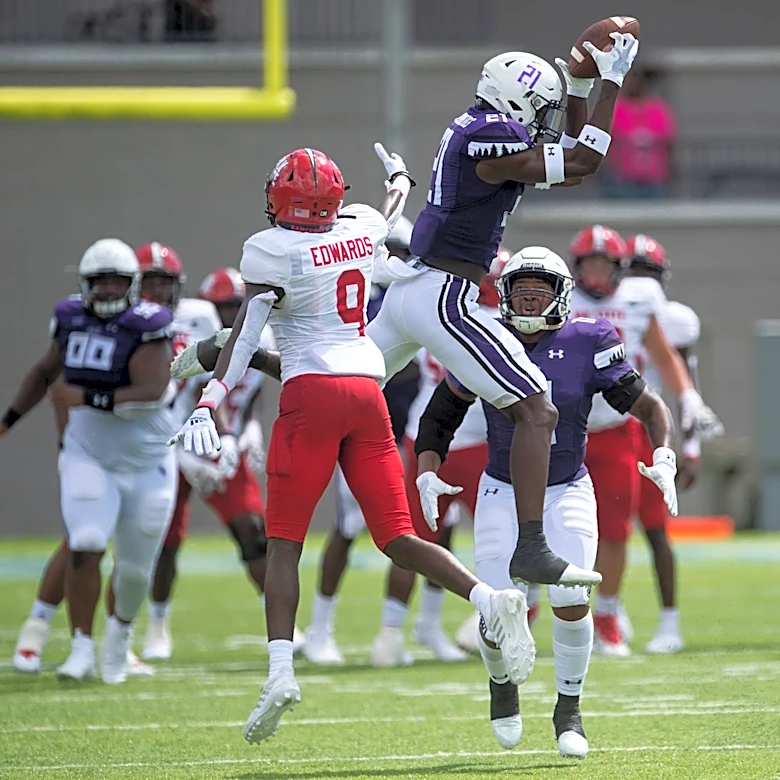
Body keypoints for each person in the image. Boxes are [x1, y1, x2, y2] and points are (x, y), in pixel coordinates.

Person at [170, 40, 645, 589]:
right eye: (539, 108)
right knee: (538, 411)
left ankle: (233, 350)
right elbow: (583, 160)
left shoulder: (480, 130)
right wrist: (610, 83)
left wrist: (583, 88)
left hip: (413, 287)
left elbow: (572, 164)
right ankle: (533, 546)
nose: (542, 121)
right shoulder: (491, 137)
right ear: (516, 102)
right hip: (441, 293)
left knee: (337, 368)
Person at [170, 146, 541, 745]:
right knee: (397, 537)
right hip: (369, 395)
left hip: (310, 396)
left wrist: (212, 398)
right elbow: (391, 211)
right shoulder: (362, 224)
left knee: (285, 543)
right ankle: (487, 597)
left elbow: (243, 336)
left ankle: (281, 672)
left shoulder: (270, 249)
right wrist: (399, 179)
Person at [412, 246, 677, 758]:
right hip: (499, 490)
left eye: (540, 292)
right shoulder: (485, 338)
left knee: (571, 601)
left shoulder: (589, 338)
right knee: (498, 610)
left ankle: (569, 708)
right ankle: (502, 685)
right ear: (505, 296)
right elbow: (440, 415)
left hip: (569, 487)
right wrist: (426, 470)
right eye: (520, 292)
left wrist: (663, 451)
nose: (530, 302)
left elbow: (645, 403)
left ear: (560, 296)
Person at [2, 239, 178, 684]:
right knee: (84, 543)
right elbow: (46, 373)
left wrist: (87, 397)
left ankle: (118, 642)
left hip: (147, 461)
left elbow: (150, 391)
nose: (108, 289)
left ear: (132, 285)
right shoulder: (69, 318)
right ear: (85, 284)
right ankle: (80, 646)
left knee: (136, 569)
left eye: (117, 280)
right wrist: (8, 420)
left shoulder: (148, 324)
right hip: (90, 453)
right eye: (100, 281)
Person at [568, 225, 722, 656]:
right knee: (557, 526)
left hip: (621, 428)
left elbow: (665, 355)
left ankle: (607, 617)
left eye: (604, 265)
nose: (597, 276)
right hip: (567, 429)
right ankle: (538, 612)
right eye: (590, 265)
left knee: (618, 529)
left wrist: (689, 398)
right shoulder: (562, 300)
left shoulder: (639, 300)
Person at [141, 266, 299, 660]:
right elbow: (184, 397)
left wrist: (244, 434)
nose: (230, 316)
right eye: (222, 308)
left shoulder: (260, 336)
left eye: (236, 306)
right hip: (172, 442)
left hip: (214, 440)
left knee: (251, 529)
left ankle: (285, 624)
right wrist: (185, 458)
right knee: (167, 541)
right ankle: (156, 625)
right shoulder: (189, 336)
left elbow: (244, 396)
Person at [617, 234, 702, 653]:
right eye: (633, 271)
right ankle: (611, 613)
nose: (638, 282)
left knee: (655, 530)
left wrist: (691, 447)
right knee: (601, 528)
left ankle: (670, 621)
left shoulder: (674, 319)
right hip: (608, 426)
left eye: (646, 273)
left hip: (651, 429)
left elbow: (686, 381)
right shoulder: (600, 306)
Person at [601, 67, 677, 199]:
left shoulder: (657, 108)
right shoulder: (616, 107)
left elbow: (667, 141)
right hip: (621, 176)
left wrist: (671, 168)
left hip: (654, 176)